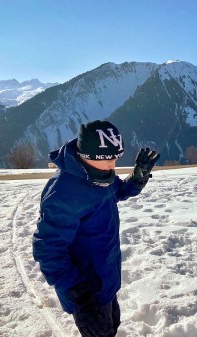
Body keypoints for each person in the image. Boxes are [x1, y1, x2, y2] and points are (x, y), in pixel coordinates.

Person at [32, 120, 160, 337]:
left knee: (113, 325)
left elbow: (117, 192)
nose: (112, 165)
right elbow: (48, 250)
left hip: (105, 277)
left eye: (115, 158)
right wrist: (81, 297)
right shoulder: (63, 193)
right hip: (86, 290)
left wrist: (137, 178)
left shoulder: (99, 174)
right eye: (107, 159)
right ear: (87, 156)